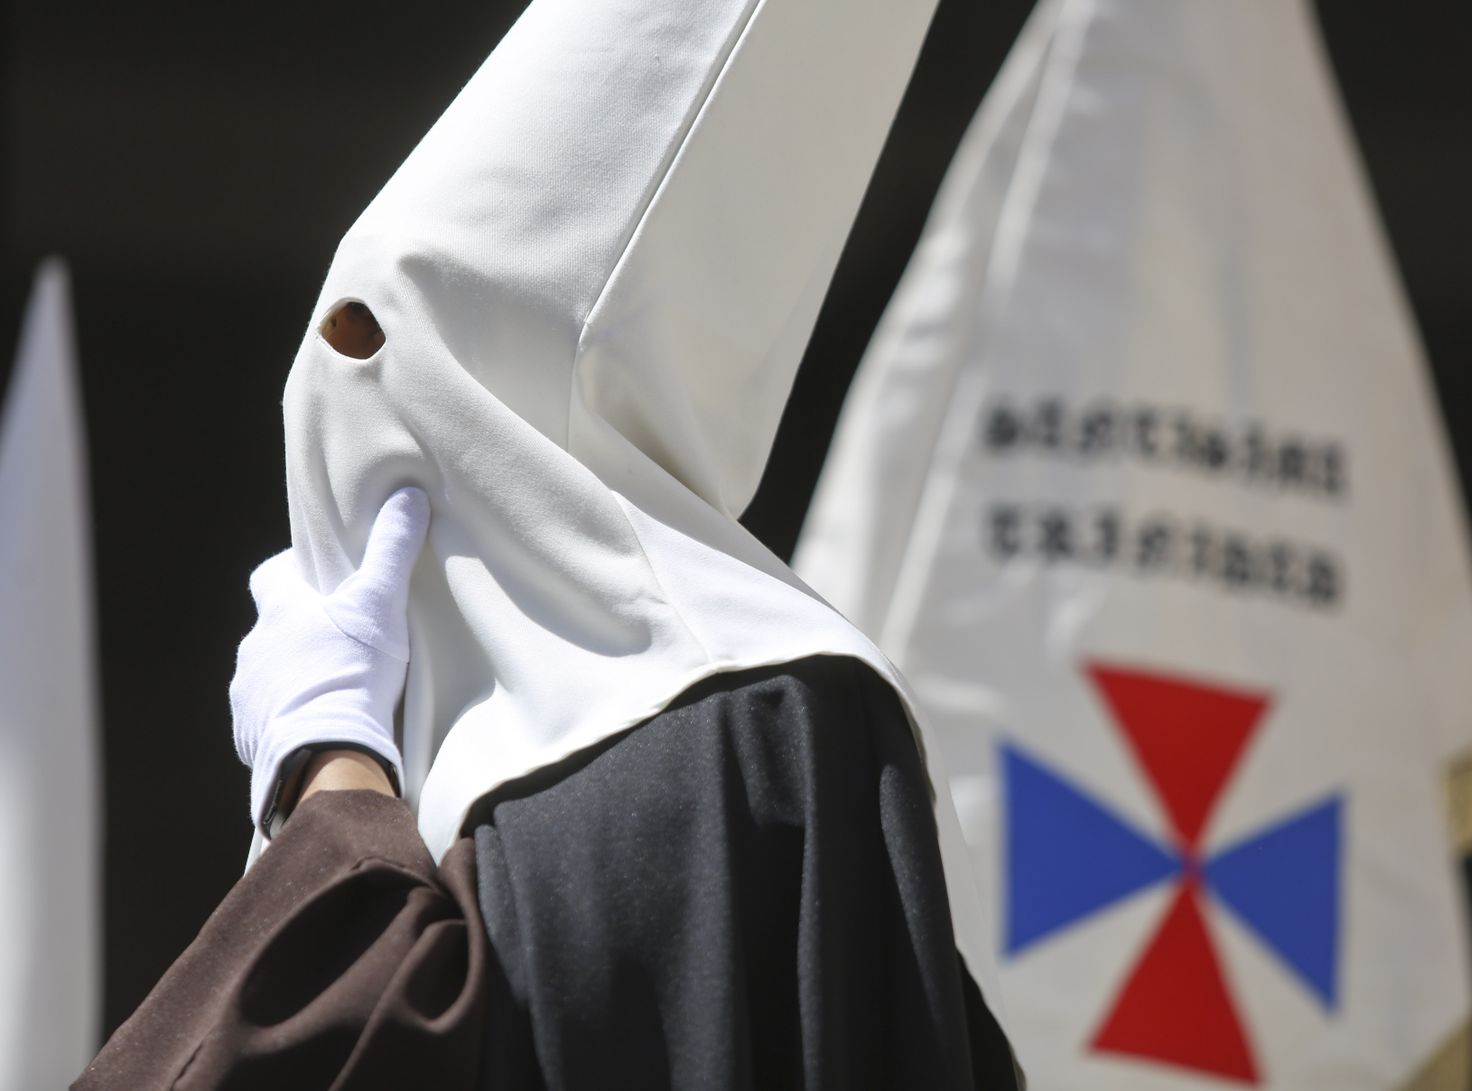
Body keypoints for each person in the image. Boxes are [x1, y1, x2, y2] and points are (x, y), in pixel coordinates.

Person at [78, 0, 1019, 1084]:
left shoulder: (716, 742)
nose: (326, 421)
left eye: (366, 342)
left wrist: (325, 785)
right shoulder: (790, 715)